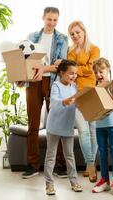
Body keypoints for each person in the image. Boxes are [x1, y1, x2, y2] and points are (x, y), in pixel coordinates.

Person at [20, 7, 69, 179]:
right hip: (33, 81)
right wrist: (22, 76)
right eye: (49, 19)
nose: (52, 23)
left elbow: (60, 65)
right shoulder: (32, 37)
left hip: (53, 82)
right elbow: (24, 60)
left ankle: (60, 165)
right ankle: (32, 165)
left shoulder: (62, 39)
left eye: (55, 20)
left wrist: (44, 68)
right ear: (43, 18)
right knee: (33, 123)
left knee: (56, 122)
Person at [67, 20, 100, 182]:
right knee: (83, 131)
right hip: (77, 95)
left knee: (93, 130)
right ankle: (91, 164)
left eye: (77, 32)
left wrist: (78, 70)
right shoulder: (71, 51)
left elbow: (91, 68)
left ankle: (89, 166)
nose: (75, 36)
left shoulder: (94, 49)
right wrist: (81, 70)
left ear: (84, 32)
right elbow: (70, 71)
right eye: (72, 34)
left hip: (92, 93)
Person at [44, 60, 82, 195]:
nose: (73, 76)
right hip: (54, 127)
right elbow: (53, 103)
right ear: (62, 73)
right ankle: (49, 184)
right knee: (51, 156)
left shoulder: (74, 87)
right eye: (71, 73)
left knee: (69, 156)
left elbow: (76, 104)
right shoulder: (56, 85)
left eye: (75, 74)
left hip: (67, 127)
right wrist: (64, 101)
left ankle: (74, 182)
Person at [91, 58, 113, 195]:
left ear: (108, 69)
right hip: (100, 125)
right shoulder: (95, 89)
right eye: (96, 72)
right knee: (102, 153)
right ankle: (104, 180)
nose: (99, 74)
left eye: (101, 71)